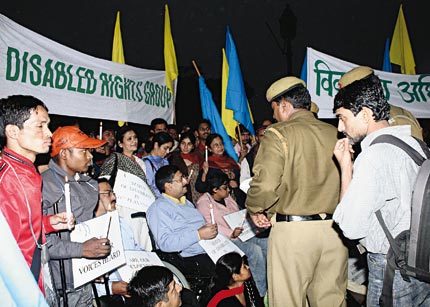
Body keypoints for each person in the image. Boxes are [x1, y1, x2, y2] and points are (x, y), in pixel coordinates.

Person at [245, 76, 348, 307]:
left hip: (294, 233)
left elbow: (265, 184)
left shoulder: (278, 134)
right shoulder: (336, 133)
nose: (273, 116)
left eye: (274, 109)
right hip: (335, 232)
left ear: (284, 105)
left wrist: (254, 208)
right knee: (332, 301)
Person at [332, 66, 430, 306]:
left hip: (391, 269)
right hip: (421, 261)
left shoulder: (374, 156)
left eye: (342, 117)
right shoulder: (414, 143)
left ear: (365, 114)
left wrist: (346, 168)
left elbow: (351, 227)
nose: (340, 128)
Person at [0, 95, 73, 292]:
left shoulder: (27, 170)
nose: (49, 134)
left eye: (47, 125)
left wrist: (48, 223)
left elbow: (20, 228)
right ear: (13, 131)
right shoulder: (7, 179)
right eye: (40, 126)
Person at [42, 126, 111, 306]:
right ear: (64, 154)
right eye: (84, 151)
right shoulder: (45, 187)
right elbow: (41, 243)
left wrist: (96, 263)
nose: (90, 156)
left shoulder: (86, 184)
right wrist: (82, 250)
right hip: (60, 286)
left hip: (84, 277)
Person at [146, 164, 217, 304]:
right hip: (189, 259)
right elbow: (165, 243)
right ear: (168, 186)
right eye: (181, 179)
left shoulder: (187, 203)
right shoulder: (158, 208)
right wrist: (198, 234)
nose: (186, 181)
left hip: (209, 249)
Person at [196, 172, 268, 298]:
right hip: (225, 238)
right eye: (225, 188)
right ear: (215, 190)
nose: (228, 190)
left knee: (266, 242)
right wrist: (231, 233)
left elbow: (238, 213)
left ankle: (270, 279)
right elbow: (210, 225)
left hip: (241, 233)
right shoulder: (203, 203)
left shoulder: (227, 197)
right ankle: (261, 292)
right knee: (254, 251)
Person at [99, 125, 155, 250]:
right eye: (129, 139)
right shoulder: (115, 158)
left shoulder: (140, 162)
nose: (134, 141)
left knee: (143, 240)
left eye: (135, 138)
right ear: (120, 143)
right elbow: (104, 180)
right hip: (123, 206)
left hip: (140, 206)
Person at [92, 178, 143, 303]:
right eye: (108, 193)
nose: (114, 197)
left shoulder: (120, 222)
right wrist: (111, 288)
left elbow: (136, 250)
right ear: (93, 197)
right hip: (110, 292)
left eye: (113, 193)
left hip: (135, 279)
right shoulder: (86, 229)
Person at [195, 133, 245, 208]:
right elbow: (200, 188)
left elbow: (240, 179)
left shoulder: (230, 161)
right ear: (209, 149)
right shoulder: (209, 164)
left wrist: (236, 184)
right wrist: (204, 173)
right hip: (219, 205)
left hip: (238, 201)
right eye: (216, 145)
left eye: (221, 144)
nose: (220, 147)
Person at [168, 131, 204, 204]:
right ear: (179, 144)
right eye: (183, 143)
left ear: (193, 146)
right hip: (182, 194)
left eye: (189, 144)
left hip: (198, 195)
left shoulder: (198, 158)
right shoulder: (174, 158)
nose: (185, 147)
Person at [142, 132, 174, 197]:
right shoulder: (147, 163)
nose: (168, 152)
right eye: (165, 148)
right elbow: (148, 187)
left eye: (169, 149)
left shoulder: (165, 161)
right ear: (156, 145)